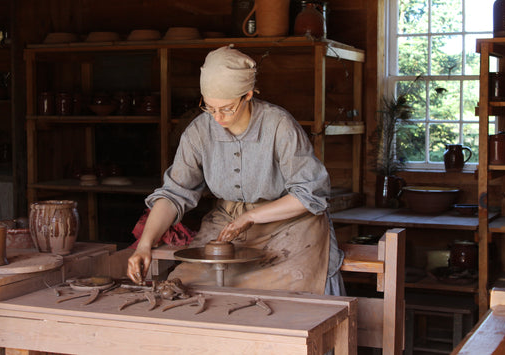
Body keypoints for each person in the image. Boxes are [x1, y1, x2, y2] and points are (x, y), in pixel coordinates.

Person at [127, 45, 345, 296]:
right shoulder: (200, 131)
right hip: (229, 223)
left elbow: (310, 194)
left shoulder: (279, 125)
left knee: (286, 291)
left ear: (248, 96)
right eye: (209, 107)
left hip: (290, 224)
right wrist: (144, 245)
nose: (217, 118)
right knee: (186, 286)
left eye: (226, 108)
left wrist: (250, 217)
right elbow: (174, 193)